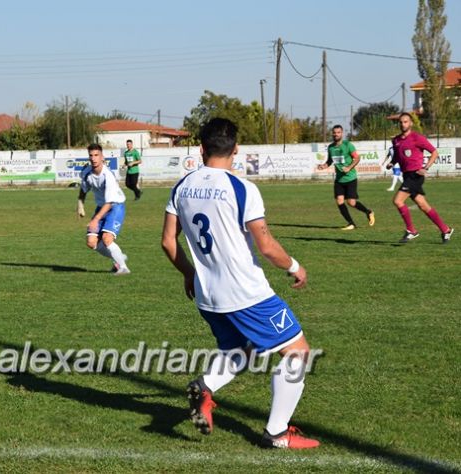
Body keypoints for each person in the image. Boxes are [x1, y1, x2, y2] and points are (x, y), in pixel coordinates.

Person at [161, 118, 319, 449]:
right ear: (236, 149)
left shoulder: (182, 186)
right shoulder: (241, 188)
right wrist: (295, 266)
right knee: (298, 353)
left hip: (208, 295)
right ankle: (276, 432)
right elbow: (266, 245)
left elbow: (168, 243)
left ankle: (205, 387)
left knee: (241, 350)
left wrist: (190, 274)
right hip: (247, 293)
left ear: (200, 148)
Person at [389, 112, 453, 244]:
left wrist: (426, 167)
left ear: (411, 123)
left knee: (398, 201)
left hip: (415, 175)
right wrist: (392, 162)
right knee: (423, 206)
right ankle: (445, 230)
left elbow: (434, 152)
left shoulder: (417, 138)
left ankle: (411, 230)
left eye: (406, 121)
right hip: (406, 175)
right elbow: (397, 155)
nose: (403, 124)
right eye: (401, 122)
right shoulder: (396, 140)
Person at [77, 143, 130, 275]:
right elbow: (83, 190)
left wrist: (95, 219)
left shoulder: (108, 176)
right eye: (91, 155)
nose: (94, 158)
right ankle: (118, 257)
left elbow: (110, 202)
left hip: (115, 206)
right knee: (91, 242)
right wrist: (80, 205)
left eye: (96, 155)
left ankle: (123, 268)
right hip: (101, 207)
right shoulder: (86, 173)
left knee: (107, 238)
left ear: (102, 157)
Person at [317, 125, 374, 230]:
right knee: (339, 201)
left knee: (351, 202)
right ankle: (351, 223)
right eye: (334, 132)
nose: (336, 134)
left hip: (350, 178)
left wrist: (349, 167)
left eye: (338, 132)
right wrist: (323, 166)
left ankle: (368, 212)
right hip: (339, 179)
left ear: (342, 133)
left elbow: (357, 158)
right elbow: (330, 161)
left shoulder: (348, 145)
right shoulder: (331, 147)